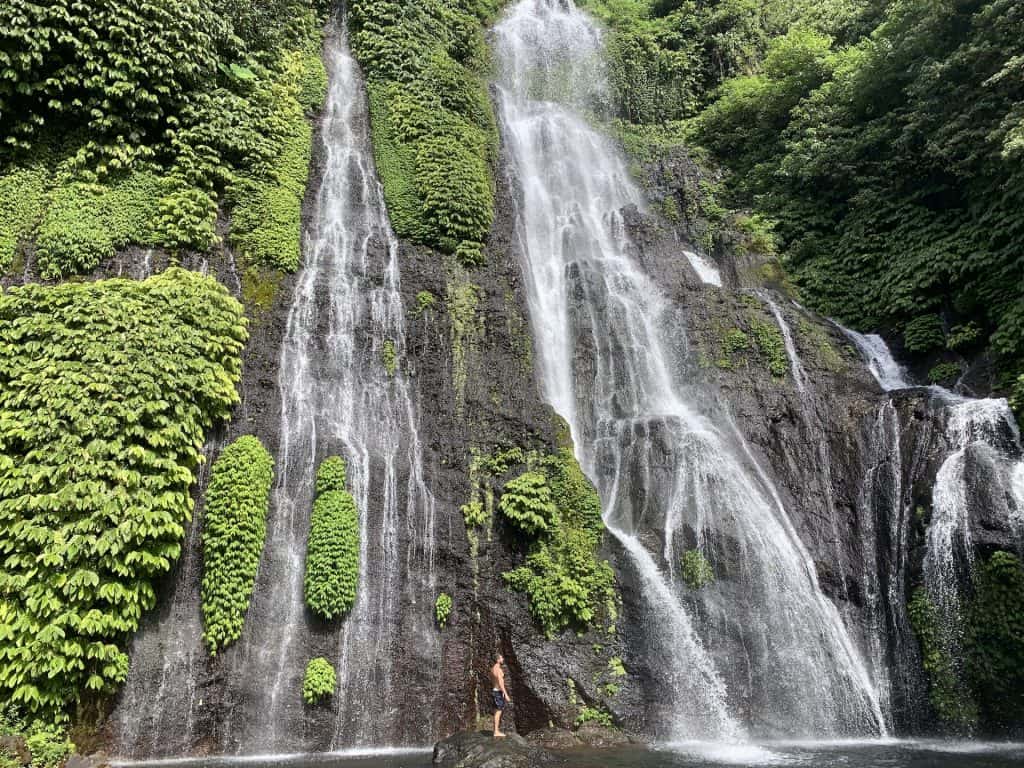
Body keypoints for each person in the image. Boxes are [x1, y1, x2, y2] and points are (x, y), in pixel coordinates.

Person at [490, 653, 512, 738]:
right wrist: (505, 694)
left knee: (496, 711)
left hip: (495, 691)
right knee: (498, 712)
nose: (503, 659)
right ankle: (496, 731)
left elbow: (493, 681)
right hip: (498, 693)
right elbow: (501, 682)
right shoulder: (498, 670)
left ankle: (495, 730)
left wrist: (497, 690)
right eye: (501, 658)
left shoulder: (492, 669)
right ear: (497, 660)